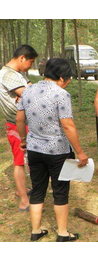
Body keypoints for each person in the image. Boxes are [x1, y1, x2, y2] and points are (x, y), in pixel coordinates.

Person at [16, 58, 88, 242]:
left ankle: (36, 230)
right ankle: (63, 233)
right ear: (62, 78)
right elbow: (68, 125)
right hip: (58, 152)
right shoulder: (61, 94)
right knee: (60, 191)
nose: (69, 82)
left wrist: (23, 140)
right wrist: (80, 152)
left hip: (34, 149)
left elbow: (19, 119)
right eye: (70, 78)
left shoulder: (28, 90)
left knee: (38, 190)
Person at [0, 44, 38, 211]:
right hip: (17, 124)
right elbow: (30, 94)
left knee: (23, 158)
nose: (31, 65)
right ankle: (24, 201)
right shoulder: (8, 75)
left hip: (23, 122)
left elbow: (31, 89)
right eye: (31, 62)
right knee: (19, 161)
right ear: (22, 58)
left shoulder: (17, 74)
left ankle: (21, 189)